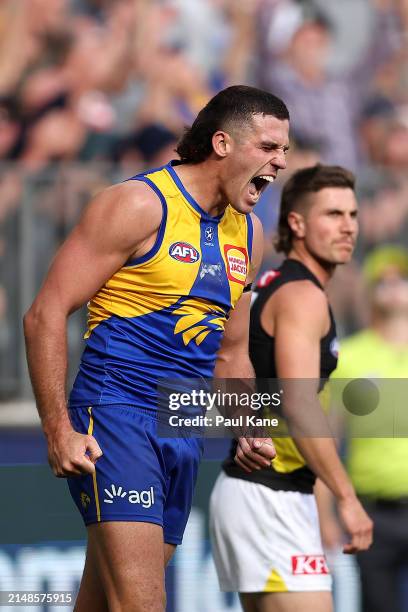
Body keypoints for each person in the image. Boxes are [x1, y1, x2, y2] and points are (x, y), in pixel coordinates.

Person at [23, 84, 288, 612]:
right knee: (142, 603)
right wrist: (58, 430)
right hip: (116, 414)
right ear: (222, 144)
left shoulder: (250, 234)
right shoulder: (139, 204)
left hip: (181, 425)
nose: (280, 162)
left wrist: (248, 424)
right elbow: (45, 313)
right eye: (268, 147)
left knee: (103, 600)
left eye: (285, 150)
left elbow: (231, 352)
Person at [210, 164, 373, 612]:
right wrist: (347, 497)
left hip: (273, 492)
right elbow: (298, 404)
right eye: (333, 214)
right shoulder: (303, 296)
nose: (347, 227)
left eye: (353, 215)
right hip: (267, 494)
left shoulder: (277, 285)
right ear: (296, 224)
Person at [319, 245, 408, 612]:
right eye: (382, 280)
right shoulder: (350, 356)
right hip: (372, 511)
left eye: (400, 277)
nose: (392, 286)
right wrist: (326, 517)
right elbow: (323, 440)